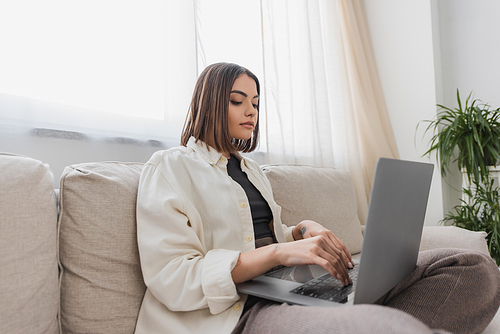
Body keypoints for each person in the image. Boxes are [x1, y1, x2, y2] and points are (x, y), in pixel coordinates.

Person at [135, 62, 500, 334]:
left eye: (256, 103)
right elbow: (172, 278)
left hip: (291, 286)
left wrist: (299, 232)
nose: (251, 111)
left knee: (475, 269)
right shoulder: (169, 169)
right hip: (242, 311)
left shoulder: (251, 170)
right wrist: (279, 252)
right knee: (382, 326)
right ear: (212, 102)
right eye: (237, 101)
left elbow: (266, 233)